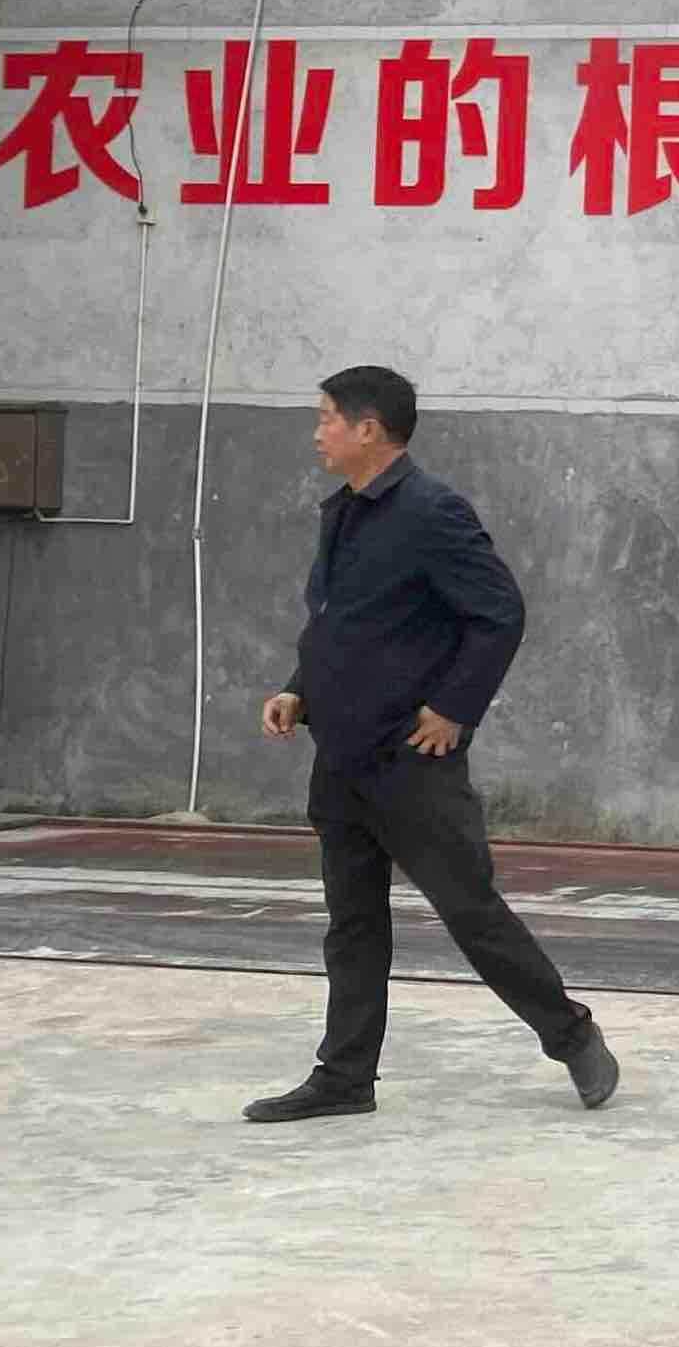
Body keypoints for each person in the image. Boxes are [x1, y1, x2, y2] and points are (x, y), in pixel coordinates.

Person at [243, 365, 615, 1125]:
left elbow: (499, 612)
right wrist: (298, 689)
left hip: (412, 763)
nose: (316, 433)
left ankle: (572, 1034)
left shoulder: (431, 511)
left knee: (469, 911)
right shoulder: (344, 512)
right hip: (341, 757)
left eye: (326, 418)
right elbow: (341, 623)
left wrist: (454, 708)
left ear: (368, 428)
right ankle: (345, 1076)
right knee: (352, 924)